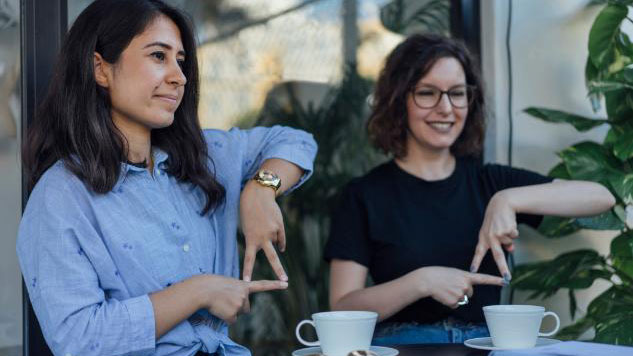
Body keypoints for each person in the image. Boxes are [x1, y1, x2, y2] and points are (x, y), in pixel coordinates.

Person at [17, 1, 317, 355]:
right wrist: (199, 291)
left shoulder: (202, 158)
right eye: (159, 56)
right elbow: (79, 338)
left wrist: (261, 190)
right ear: (101, 69)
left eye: (181, 61)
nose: (179, 76)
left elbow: (295, 140)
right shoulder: (61, 197)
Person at [324, 34, 615, 345]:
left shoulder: (490, 183)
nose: (446, 108)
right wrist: (421, 282)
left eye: (457, 93)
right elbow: (342, 307)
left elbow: (602, 197)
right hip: (402, 346)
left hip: (487, 344)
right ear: (398, 100)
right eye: (427, 93)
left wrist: (508, 199)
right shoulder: (364, 195)